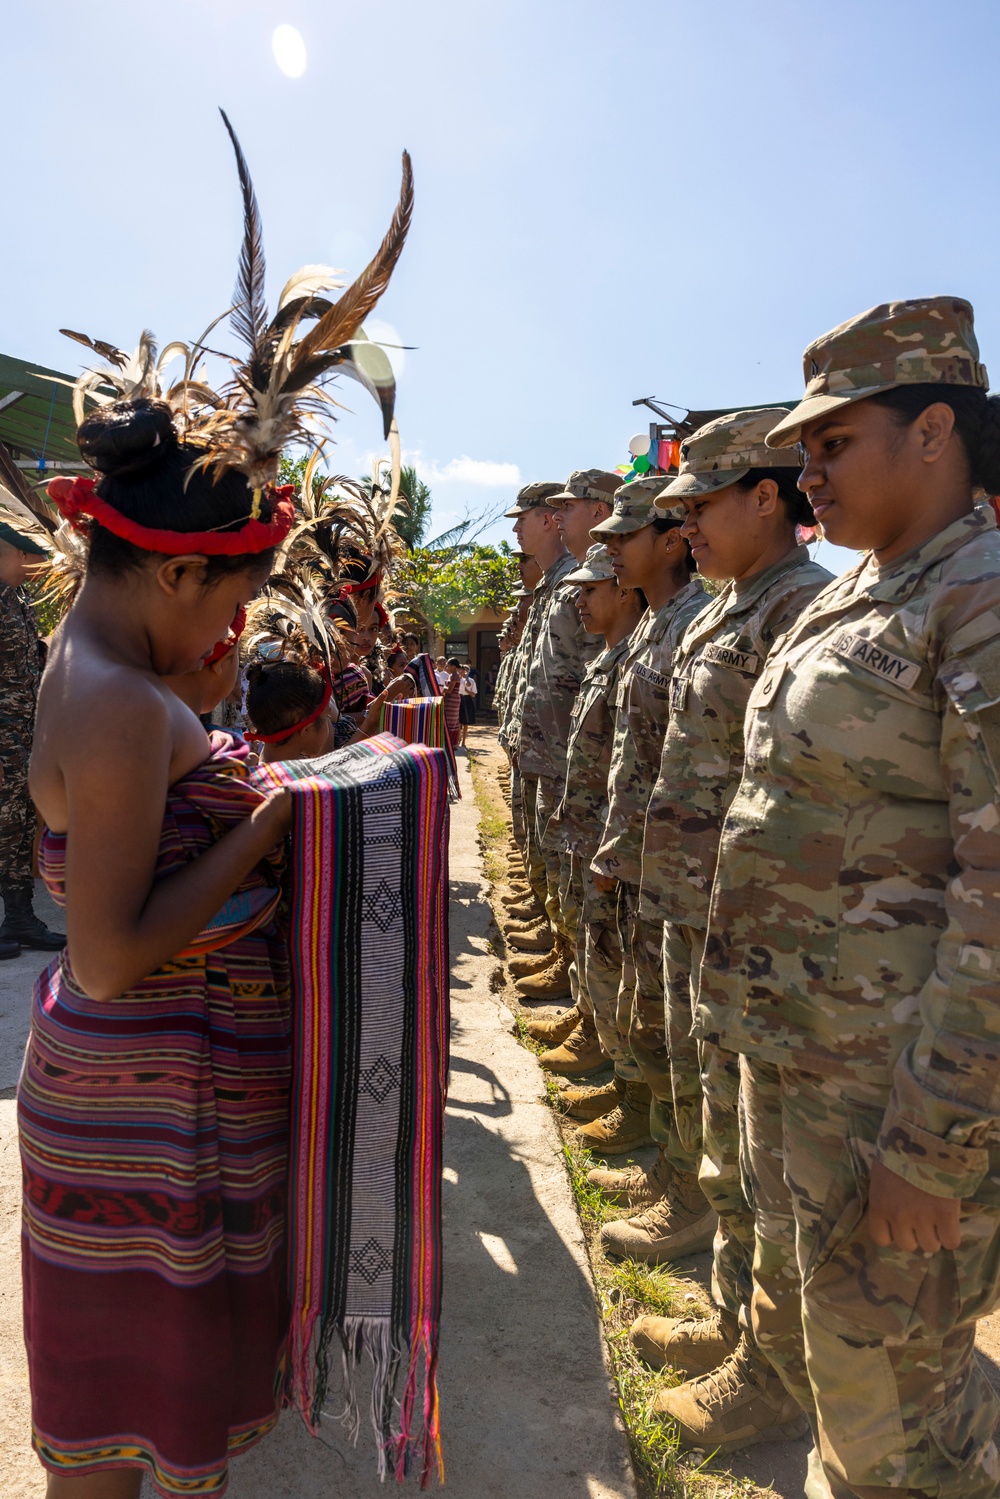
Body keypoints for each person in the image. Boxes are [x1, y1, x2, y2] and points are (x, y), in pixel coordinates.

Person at [17, 111, 412, 1498]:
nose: (241, 629)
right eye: (236, 600)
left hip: (167, 1113)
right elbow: (111, 952)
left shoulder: (107, 661)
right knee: (137, 1460)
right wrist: (270, 817)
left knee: (147, 1440)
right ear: (178, 576)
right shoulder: (123, 704)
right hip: (144, 1116)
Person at [699, 297, 1000, 1497]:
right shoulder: (858, 588)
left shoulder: (975, 597)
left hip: (895, 1081)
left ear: (932, 432)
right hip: (803, 1044)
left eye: (833, 443)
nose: (806, 469)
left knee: (899, 1425)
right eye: (804, 448)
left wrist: (934, 1140)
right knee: (838, 1347)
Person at [626, 408, 832, 1454]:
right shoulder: (733, 603)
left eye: (700, 504)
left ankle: (773, 1372)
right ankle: (737, 1322)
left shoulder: (800, 608)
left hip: (763, 931)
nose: (685, 526)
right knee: (727, 1139)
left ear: (765, 498)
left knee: (758, 1156)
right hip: (707, 908)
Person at [537, 544, 645, 1113]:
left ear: (623, 590)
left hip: (622, 843)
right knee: (596, 947)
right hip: (595, 832)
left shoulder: (641, 652)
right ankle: (605, 1052)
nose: (579, 601)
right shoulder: (610, 655)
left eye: (590, 590)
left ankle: (627, 1088)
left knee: (621, 965)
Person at [507, 472, 613, 1010]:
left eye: (524, 520)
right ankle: (563, 958)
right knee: (557, 867)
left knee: (578, 880)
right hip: (547, 750)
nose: (518, 533)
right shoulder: (557, 584)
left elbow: (598, 675)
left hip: (574, 758)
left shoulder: (593, 582)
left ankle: (579, 989)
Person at [0, 521, 64, 957]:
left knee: (18, 827)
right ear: (16, 553)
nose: (42, 561)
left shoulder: (19, 600)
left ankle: (19, 919)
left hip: (22, 733)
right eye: (34, 552)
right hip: (2, 736)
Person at [457, 664, 477, 746]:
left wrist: (466, 690)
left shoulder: (471, 681)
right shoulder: (458, 679)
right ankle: (458, 738)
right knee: (458, 722)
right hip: (459, 698)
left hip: (467, 700)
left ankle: (464, 741)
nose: (464, 672)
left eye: (466, 670)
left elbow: (473, 694)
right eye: (463, 670)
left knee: (466, 722)